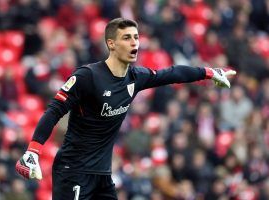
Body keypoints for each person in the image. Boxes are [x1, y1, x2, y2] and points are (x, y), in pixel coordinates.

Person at [15, 18, 236, 200]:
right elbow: (54, 110)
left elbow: (171, 73)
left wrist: (208, 72)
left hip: (102, 175)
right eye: (127, 38)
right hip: (73, 172)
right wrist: (33, 151)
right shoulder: (87, 76)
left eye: (136, 37)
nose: (134, 43)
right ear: (111, 44)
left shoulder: (135, 77)